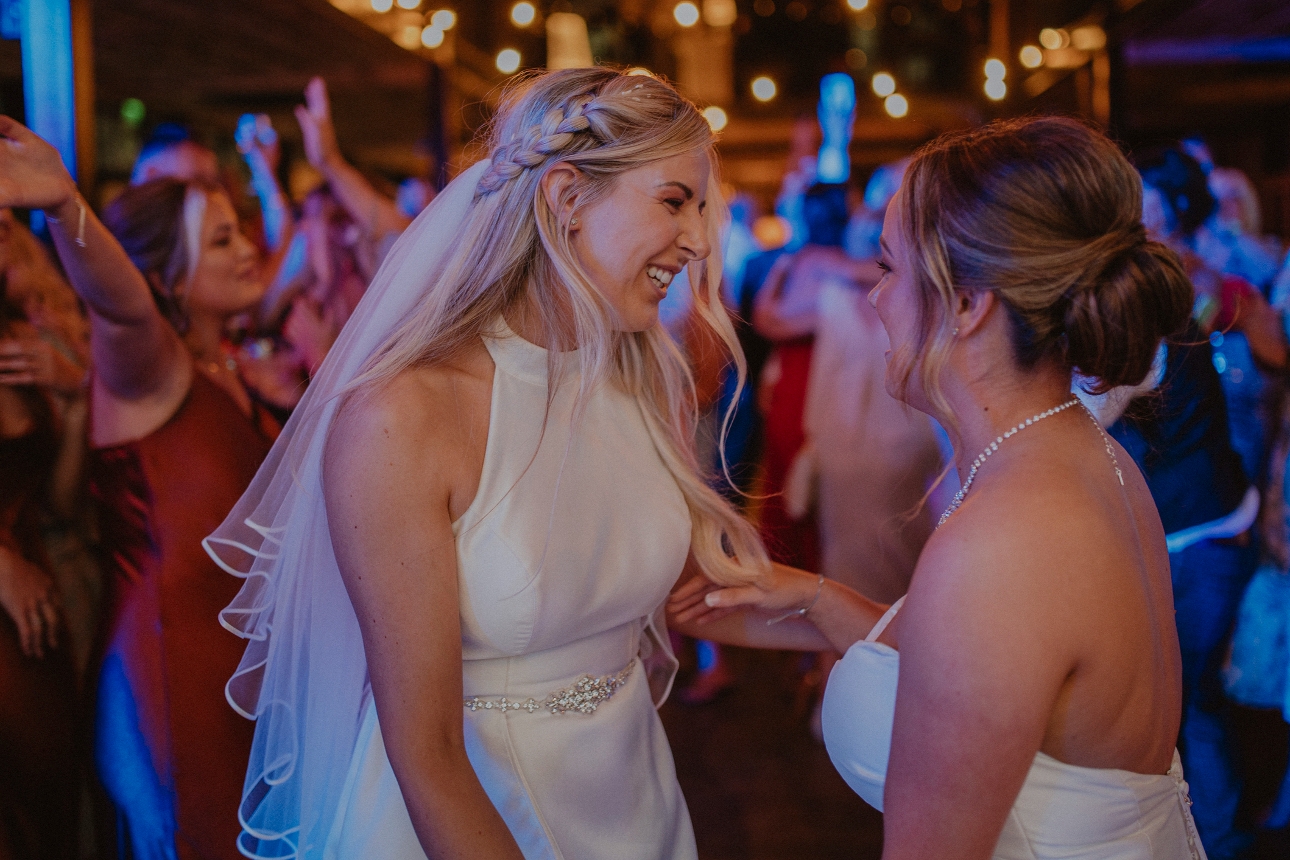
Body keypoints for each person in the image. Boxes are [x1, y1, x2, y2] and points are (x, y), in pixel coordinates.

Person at [202, 67, 769, 858]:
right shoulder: (402, 418)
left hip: (635, 801)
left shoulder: (636, 374)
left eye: (703, 209)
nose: (702, 240)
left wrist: (854, 618)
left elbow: (689, 594)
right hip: (465, 818)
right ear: (567, 197)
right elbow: (425, 748)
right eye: (676, 201)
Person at [672, 116, 1206, 858]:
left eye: (888, 268)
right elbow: (995, 681)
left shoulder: (1003, 541)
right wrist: (820, 600)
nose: (874, 300)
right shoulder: (1086, 456)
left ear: (967, 303)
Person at [0, 117, 279, 859]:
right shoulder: (150, 371)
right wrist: (65, 207)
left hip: (237, 676)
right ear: (169, 274)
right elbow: (121, 306)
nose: (249, 249)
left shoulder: (237, 373)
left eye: (238, 230)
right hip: (172, 674)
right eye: (221, 241)